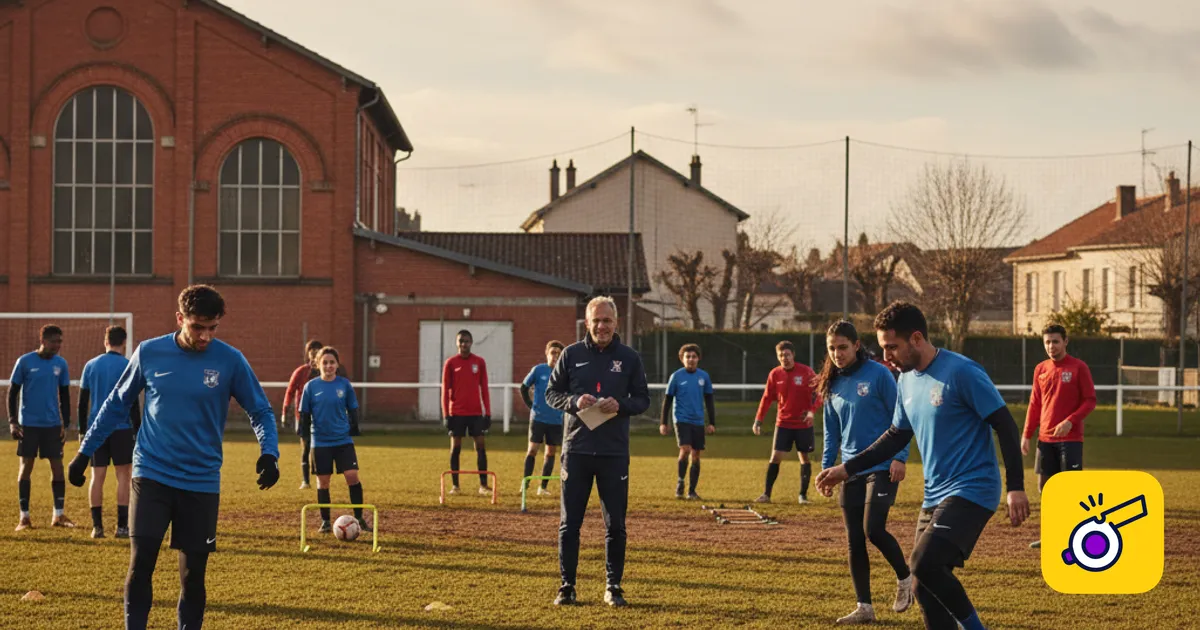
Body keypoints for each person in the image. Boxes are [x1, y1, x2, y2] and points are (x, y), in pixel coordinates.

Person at [68, 284, 280, 630]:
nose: (205, 337)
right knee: (141, 564)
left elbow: (260, 410)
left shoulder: (230, 360)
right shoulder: (149, 353)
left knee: (193, 576)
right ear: (180, 318)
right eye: (198, 327)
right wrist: (84, 452)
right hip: (152, 474)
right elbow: (115, 404)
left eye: (212, 328)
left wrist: (269, 453)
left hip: (201, 481)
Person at [817, 302, 1029, 630]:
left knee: (923, 563)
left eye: (892, 347)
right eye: (883, 346)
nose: (885, 355)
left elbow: (1005, 424)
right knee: (922, 585)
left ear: (916, 338)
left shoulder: (962, 372)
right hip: (934, 495)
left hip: (973, 488)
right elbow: (895, 436)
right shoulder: (904, 380)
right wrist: (846, 469)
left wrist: (1015, 487)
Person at [546, 296, 649, 607]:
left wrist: (622, 405)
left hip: (613, 453)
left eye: (607, 321)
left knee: (615, 524)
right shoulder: (570, 354)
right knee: (569, 524)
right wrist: (574, 402)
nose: (602, 326)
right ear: (587, 323)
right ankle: (567, 586)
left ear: (616, 323)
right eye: (596, 321)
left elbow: (643, 399)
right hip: (576, 450)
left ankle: (613, 586)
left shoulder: (630, 358)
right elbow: (552, 393)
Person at [816, 321, 913, 625]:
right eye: (832, 348)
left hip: (883, 466)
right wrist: (826, 471)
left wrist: (900, 457)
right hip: (849, 470)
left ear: (856, 345)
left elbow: (902, 418)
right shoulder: (831, 384)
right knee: (854, 539)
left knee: (873, 529)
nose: (837, 354)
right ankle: (864, 607)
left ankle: (906, 579)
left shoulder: (880, 374)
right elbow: (831, 434)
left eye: (842, 347)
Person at [1022, 323, 1095, 549]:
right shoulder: (1040, 369)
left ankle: (1074, 537)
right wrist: (1027, 434)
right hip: (1045, 440)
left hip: (1071, 440)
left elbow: (1090, 400)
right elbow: (1035, 403)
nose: (1051, 346)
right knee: (1045, 488)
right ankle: (1052, 535)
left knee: (1070, 491)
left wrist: (1070, 421)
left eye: (1055, 341)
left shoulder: (1078, 368)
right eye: (1047, 342)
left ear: (1065, 342)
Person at [8, 324, 73, 531]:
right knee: (26, 467)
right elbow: (12, 392)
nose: (58, 345)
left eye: (60, 341)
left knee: (57, 468)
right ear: (43, 340)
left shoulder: (61, 364)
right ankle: (24, 517)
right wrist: (12, 420)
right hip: (29, 425)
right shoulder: (25, 362)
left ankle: (59, 515)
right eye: (55, 341)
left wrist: (66, 422)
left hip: (52, 425)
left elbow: (64, 395)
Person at [78, 326, 141, 539]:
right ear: (124, 343)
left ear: (105, 342)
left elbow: (82, 402)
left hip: (96, 430)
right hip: (122, 429)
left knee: (97, 476)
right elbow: (132, 402)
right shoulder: (127, 365)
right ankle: (122, 527)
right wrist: (138, 428)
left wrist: (82, 431)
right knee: (124, 476)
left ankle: (97, 528)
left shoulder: (90, 365)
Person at [298, 347, 368, 533]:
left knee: (352, 476)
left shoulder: (344, 385)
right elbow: (304, 413)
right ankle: (326, 522)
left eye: (332, 362)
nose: (329, 366)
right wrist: (303, 433)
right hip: (320, 442)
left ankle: (360, 518)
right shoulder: (310, 387)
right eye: (325, 362)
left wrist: (354, 427)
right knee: (323, 482)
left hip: (343, 440)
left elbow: (353, 408)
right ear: (317, 364)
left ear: (337, 364)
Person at [753, 340, 819, 504]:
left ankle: (803, 496)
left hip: (803, 424)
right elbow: (767, 398)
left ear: (793, 355)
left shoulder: (806, 372)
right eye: (781, 355)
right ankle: (766, 494)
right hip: (783, 423)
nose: (785, 358)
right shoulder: (775, 374)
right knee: (775, 457)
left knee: (804, 457)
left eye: (787, 354)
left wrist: (812, 411)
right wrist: (758, 420)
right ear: (778, 357)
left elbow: (819, 393)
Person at [659, 343, 715, 500]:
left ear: (698, 359)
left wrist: (712, 422)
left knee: (696, 455)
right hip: (681, 419)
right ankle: (680, 482)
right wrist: (663, 422)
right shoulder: (676, 376)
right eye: (687, 357)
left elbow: (709, 400)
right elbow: (668, 400)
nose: (691, 359)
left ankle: (692, 491)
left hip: (698, 420)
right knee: (685, 449)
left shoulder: (704, 377)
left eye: (694, 357)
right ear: (682, 359)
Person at [440, 329, 492, 495]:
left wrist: (488, 413)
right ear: (457, 343)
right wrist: (446, 415)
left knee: (481, 448)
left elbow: (484, 388)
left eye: (467, 341)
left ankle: (483, 486)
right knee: (456, 449)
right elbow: (445, 390)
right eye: (461, 341)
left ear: (471, 342)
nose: (464, 344)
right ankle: (455, 486)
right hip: (456, 413)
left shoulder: (479, 362)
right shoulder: (450, 363)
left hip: (476, 413)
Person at [520, 340, 565, 496]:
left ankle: (542, 487)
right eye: (553, 353)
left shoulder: (564, 374)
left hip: (556, 420)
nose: (555, 356)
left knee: (550, 453)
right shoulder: (538, 370)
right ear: (547, 353)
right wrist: (531, 405)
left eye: (558, 354)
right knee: (532, 450)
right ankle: (525, 485)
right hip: (538, 419)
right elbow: (524, 388)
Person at [284, 340, 324, 489]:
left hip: (322, 416)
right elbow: (290, 391)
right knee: (306, 447)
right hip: (303, 416)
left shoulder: (326, 372)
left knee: (321, 448)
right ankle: (305, 481)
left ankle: (321, 479)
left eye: (317, 351)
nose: (314, 354)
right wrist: (285, 412)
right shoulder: (301, 372)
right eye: (311, 351)